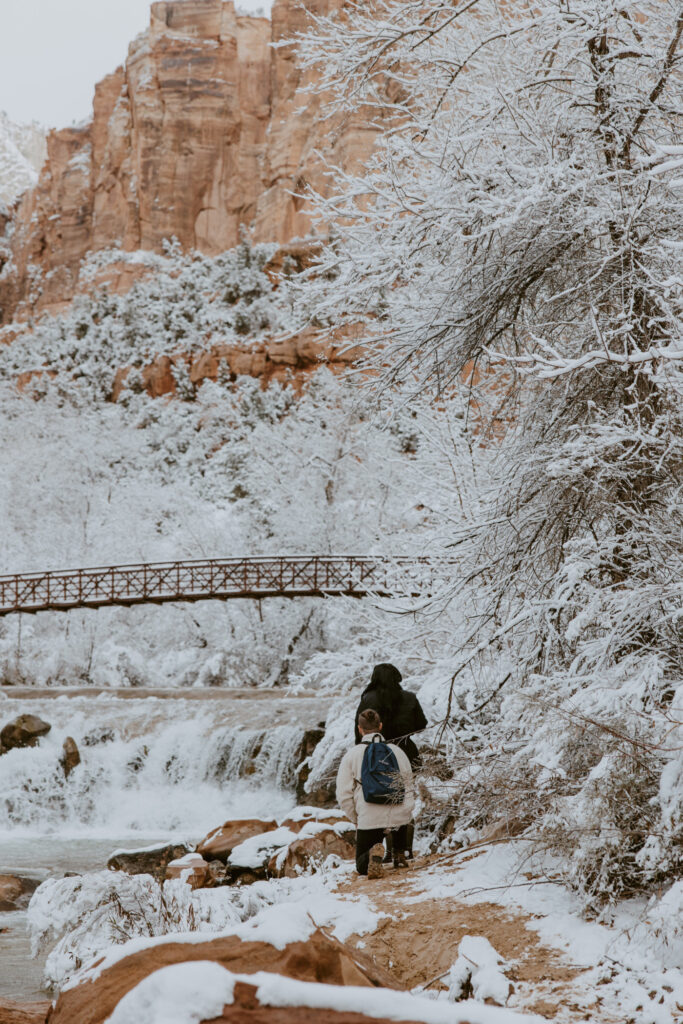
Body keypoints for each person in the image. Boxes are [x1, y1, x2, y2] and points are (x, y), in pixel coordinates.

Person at [336, 708, 415, 879]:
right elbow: (409, 787)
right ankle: (400, 852)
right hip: (400, 817)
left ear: (359, 729)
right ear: (380, 726)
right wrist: (406, 813)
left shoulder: (352, 755)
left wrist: (357, 819)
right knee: (399, 819)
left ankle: (372, 854)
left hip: (369, 818)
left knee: (361, 866)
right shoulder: (398, 751)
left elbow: (343, 795)